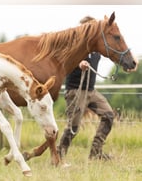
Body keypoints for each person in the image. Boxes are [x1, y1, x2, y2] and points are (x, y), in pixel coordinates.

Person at [57, 16, 137, 161]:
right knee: (73, 127)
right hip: (76, 91)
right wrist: (79, 63)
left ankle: (96, 152)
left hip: (91, 91)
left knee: (108, 116)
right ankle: (59, 156)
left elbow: (112, 50)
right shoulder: (73, 46)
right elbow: (65, 60)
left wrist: (127, 61)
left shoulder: (95, 46)